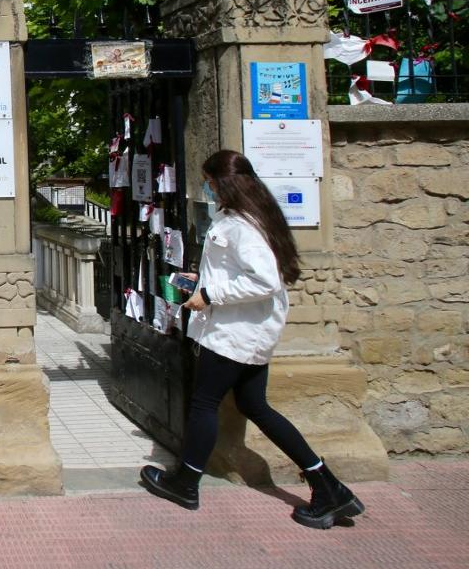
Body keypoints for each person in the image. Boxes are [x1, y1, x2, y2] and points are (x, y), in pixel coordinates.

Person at [140, 149, 364, 530]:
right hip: (246, 331)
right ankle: (327, 486)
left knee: (205, 403)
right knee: (255, 405)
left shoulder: (245, 223)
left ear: (224, 183)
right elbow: (241, 272)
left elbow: (265, 280)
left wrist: (210, 295)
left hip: (234, 334)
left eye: (210, 183)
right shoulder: (247, 215)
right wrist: (202, 283)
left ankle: (186, 483)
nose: (207, 189)